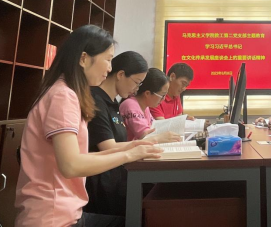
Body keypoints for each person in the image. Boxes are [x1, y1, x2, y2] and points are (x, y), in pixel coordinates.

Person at [15, 25, 162, 228]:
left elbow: (80, 157)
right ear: (84, 59)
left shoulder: (66, 92)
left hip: (66, 212)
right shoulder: (63, 96)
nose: (109, 68)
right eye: (108, 59)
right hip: (53, 217)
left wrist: (132, 147)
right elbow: (71, 166)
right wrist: (129, 155)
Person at [86, 53, 179, 217]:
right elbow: (108, 147)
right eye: (136, 82)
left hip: (117, 175)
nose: (137, 88)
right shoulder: (97, 100)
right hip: (104, 183)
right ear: (121, 75)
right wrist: (147, 143)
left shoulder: (113, 103)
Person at [120, 68, 170, 141]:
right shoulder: (130, 105)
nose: (164, 99)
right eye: (162, 95)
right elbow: (145, 135)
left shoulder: (145, 107)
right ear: (147, 93)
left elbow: (153, 128)